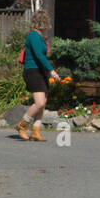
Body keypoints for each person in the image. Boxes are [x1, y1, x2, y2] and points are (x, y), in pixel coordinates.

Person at [17, 10, 60, 141]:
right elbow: (39, 55)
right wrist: (51, 70)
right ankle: (22, 125)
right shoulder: (34, 36)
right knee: (39, 102)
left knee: (43, 103)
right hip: (33, 71)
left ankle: (35, 131)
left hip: (40, 72)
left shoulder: (40, 36)